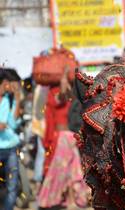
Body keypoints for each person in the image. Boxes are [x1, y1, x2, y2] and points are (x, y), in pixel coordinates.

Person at [37, 69, 89, 209]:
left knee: (73, 170)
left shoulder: (73, 94)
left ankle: (71, 198)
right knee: (64, 169)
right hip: (61, 139)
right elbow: (58, 99)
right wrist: (63, 81)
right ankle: (64, 198)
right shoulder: (53, 93)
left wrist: (66, 80)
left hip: (71, 137)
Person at [0, 70, 20, 210]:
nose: (7, 86)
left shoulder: (9, 99)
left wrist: (18, 99)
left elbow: (13, 124)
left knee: (12, 186)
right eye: (4, 84)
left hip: (11, 147)